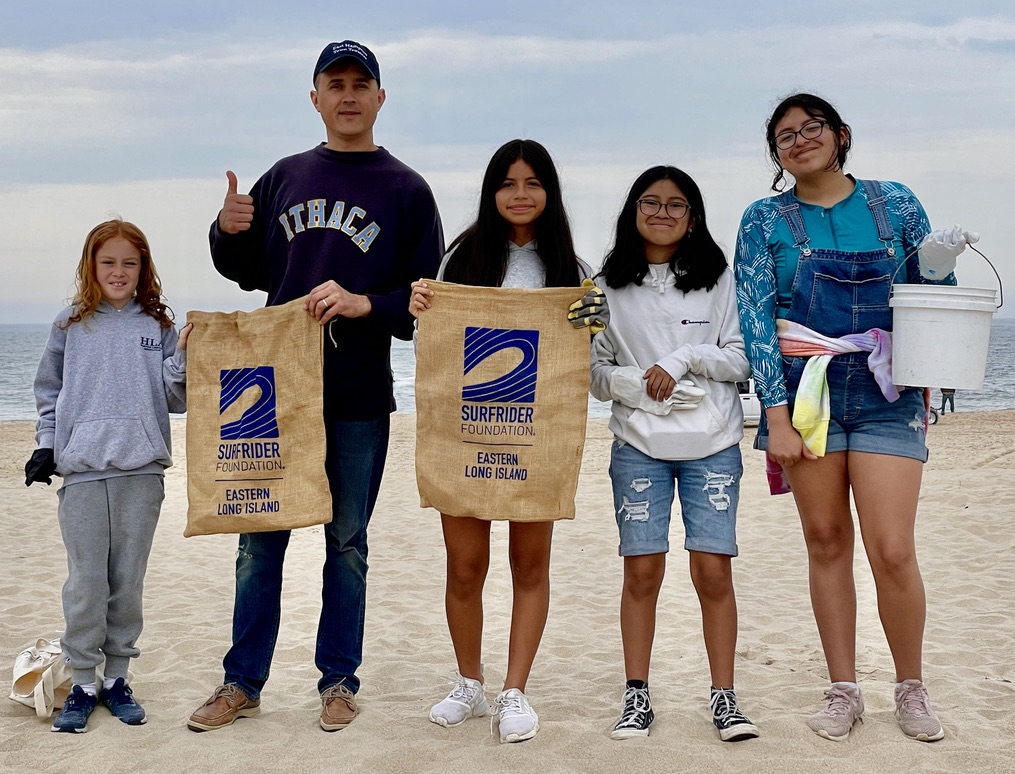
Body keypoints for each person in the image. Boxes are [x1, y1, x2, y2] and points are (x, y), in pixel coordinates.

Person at [187, 40, 444, 733]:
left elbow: (429, 300)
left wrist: (368, 303)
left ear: (380, 98)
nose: (349, 94)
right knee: (258, 540)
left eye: (362, 83)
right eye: (336, 83)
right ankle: (241, 683)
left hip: (358, 393)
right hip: (274, 391)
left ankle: (338, 682)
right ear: (315, 98)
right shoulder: (284, 177)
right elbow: (244, 269)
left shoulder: (406, 190)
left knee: (347, 545)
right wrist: (224, 229)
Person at [735, 93, 975, 743]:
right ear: (777, 155)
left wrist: (937, 265)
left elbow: (929, 301)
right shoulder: (762, 219)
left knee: (892, 549)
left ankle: (909, 687)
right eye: (783, 136)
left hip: (885, 389)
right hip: (804, 391)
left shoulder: (893, 203)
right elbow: (755, 319)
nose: (798, 140)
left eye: (810, 127)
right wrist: (774, 417)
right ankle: (843, 689)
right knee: (826, 542)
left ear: (839, 135)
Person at [409, 138, 606, 743]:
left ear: (550, 192)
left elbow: (588, 365)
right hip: (467, 434)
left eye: (533, 183)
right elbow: (435, 356)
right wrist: (420, 308)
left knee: (529, 563)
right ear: (492, 193)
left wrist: (595, 324)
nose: (520, 196)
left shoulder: (573, 271)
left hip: (533, 438)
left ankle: (514, 689)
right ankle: (469, 682)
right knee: (465, 567)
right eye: (507, 184)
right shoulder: (459, 260)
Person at [589, 166, 759, 742]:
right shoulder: (606, 285)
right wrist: (636, 384)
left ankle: (725, 696)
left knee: (712, 570)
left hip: (712, 444)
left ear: (693, 216)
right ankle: (637, 695)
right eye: (651, 202)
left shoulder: (719, 280)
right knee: (642, 570)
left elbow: (742, 359)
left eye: (676, 205)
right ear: (633, 210)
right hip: (638, 444)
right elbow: (595, 372)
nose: (662, 213)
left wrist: (686, 357)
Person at [27, 219, 189, 733]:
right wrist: (46, 446)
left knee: (126, 582)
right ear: (90, 266)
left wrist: (182, 357)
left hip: (141, 471)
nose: (118, 272)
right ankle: (81, 682)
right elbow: (48, 391)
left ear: (143, 269)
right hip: (80, 472)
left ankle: (117, 679)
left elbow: (176, 400)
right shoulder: (69, 325)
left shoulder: (159, 326)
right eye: (108, 262)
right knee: (86, 583)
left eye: (129, 262)